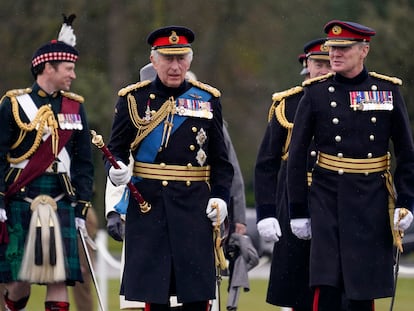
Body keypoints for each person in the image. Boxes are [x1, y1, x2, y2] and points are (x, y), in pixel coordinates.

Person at [287, 20, 414, 311]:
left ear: (364, 51)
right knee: (326, 284)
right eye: (333, 48)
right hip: (327, 197)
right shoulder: (316, 93)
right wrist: (298, 211)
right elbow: (296, 157)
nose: (335, 54)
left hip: (371, 200)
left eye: (344, 49)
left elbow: (406, 155)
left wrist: (407, 202)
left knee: (362, 287)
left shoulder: (387, 91)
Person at [104, 26, 234, 311]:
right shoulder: (133, 100)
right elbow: (115, 149)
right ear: (154, 60)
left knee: (197, 296)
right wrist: (115, 170)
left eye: (181, 59)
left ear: (190, 61)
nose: (175, 67)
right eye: (167, 59)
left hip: (194, 208)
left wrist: (222, 198)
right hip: (150, 208)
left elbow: (222, 163)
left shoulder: (207, 99)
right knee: (155, 295)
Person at [0, 14, 94, 311]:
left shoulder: (74, 106)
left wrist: (82, 203)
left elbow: (83, 162)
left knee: (59, 278)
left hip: (61, 198)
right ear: (47, 68)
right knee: (19, 281)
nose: (73, 75)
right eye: (68, 68)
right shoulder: (14, 104)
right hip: (20, 198)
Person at [254, 38, 331, 311]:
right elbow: (266, 164)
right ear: (306, 66)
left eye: (329, 63)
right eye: (318, 64)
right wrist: (266, 212)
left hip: (336, 201)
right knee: (297, 288)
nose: (324, 70)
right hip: (294, 200)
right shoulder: (287, 104)